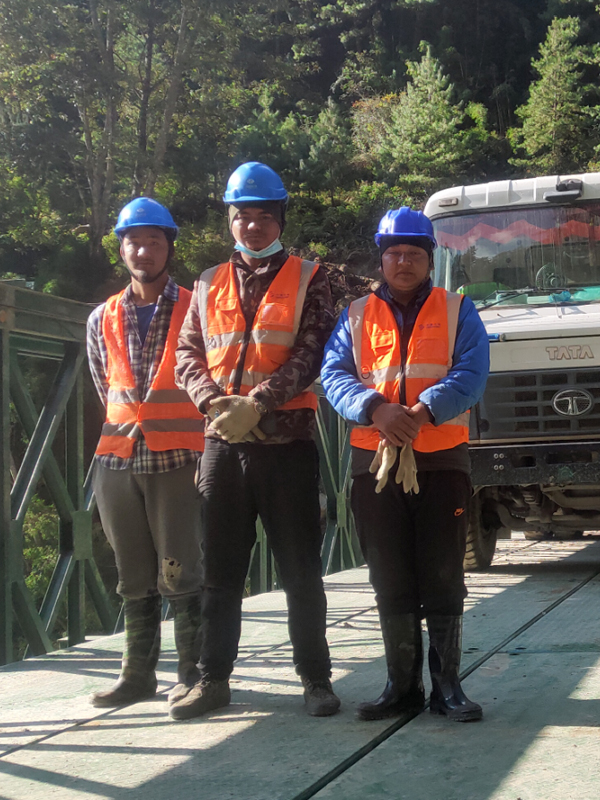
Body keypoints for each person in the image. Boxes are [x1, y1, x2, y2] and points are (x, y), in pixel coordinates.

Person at [171, 162, 339, 720]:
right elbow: (187, 353)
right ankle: (212, 679)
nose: (252, 225)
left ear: (280, 220)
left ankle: (316, 679)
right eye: (242, 215)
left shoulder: (310, 278)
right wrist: (212, 403)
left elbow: (313, 351)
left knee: (300, 571)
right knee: (220, 572)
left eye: (264, 216)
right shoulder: (206, 282)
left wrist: (258, 403)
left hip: (286, 445)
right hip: (223, 445)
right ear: (230, 220)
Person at [320, 207, 489, 722]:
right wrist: (376, 409)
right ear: (382, 259)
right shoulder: (355, 316)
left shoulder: (458, 309)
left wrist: (422, 411)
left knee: (442, 572)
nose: (403, 262)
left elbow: (472, 371)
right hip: (374, 465)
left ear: (429, 259)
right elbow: (334, 374)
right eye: (394, 253)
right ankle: (402, 686)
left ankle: (447, 687)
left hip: (440, 460)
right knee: (389, 574)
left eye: (413, 253)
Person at [86, 197, 205, 711]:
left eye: (154, 241)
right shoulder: (102, 316)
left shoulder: (196, 306)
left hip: (177, 457)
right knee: (132, 574)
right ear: (122, 249)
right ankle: (137, 675)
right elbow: (103, 382)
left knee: (181, 571)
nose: (143, 250)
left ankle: (192, 673)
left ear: (168, 248)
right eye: (134, 241)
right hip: (118, 456)